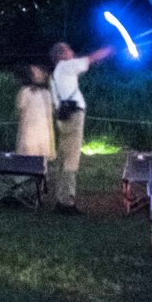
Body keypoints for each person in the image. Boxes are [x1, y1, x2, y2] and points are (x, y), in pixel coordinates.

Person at [49, 41, 114, 214]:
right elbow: (89, 59)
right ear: (62, 54)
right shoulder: (66, 66)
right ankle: (66, 203)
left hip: (64, 117)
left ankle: (61, 198)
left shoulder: (56, 73)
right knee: (71, 159)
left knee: (64, 158)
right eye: (69, 50)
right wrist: (108, 49)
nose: (72, 51)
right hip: (74, 116)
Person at [15, 64, 55, 158]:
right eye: (34, 73)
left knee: (42, 156)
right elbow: (20, 110)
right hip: (29, 129)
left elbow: (49, 114)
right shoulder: (25, 92)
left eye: (39, 72)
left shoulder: (47, 94)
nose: (37, 75)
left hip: (43, 130)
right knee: (29, 153)